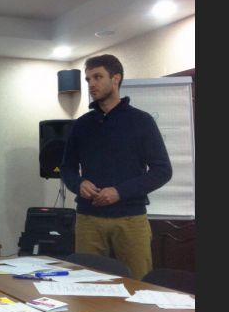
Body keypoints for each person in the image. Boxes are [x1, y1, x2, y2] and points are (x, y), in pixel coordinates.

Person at [60, 54, 172, 280]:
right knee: (85, 283)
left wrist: (120, 192)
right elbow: (67, 169)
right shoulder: (82, 125)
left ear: (116, 79)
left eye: (97, 77)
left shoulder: (141, 121)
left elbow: (162, 170)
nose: (91, 84)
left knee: (139, 283)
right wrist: (79, 184)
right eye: (88, 79)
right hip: (89, 218)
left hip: (130, 218)